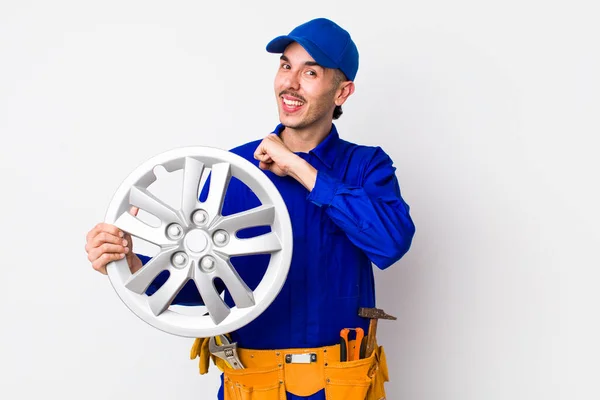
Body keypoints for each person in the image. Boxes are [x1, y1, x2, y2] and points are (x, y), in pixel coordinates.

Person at [85, 17, 415, 400]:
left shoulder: (366, 167)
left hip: (341, 385)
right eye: (286, 66)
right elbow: (209, 284)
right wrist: (134, 265)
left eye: (310, 72)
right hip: (253, 385)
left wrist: (298, 168)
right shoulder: (235, 171)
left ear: (342, 93)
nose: (290, 82)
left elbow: (390, 243)